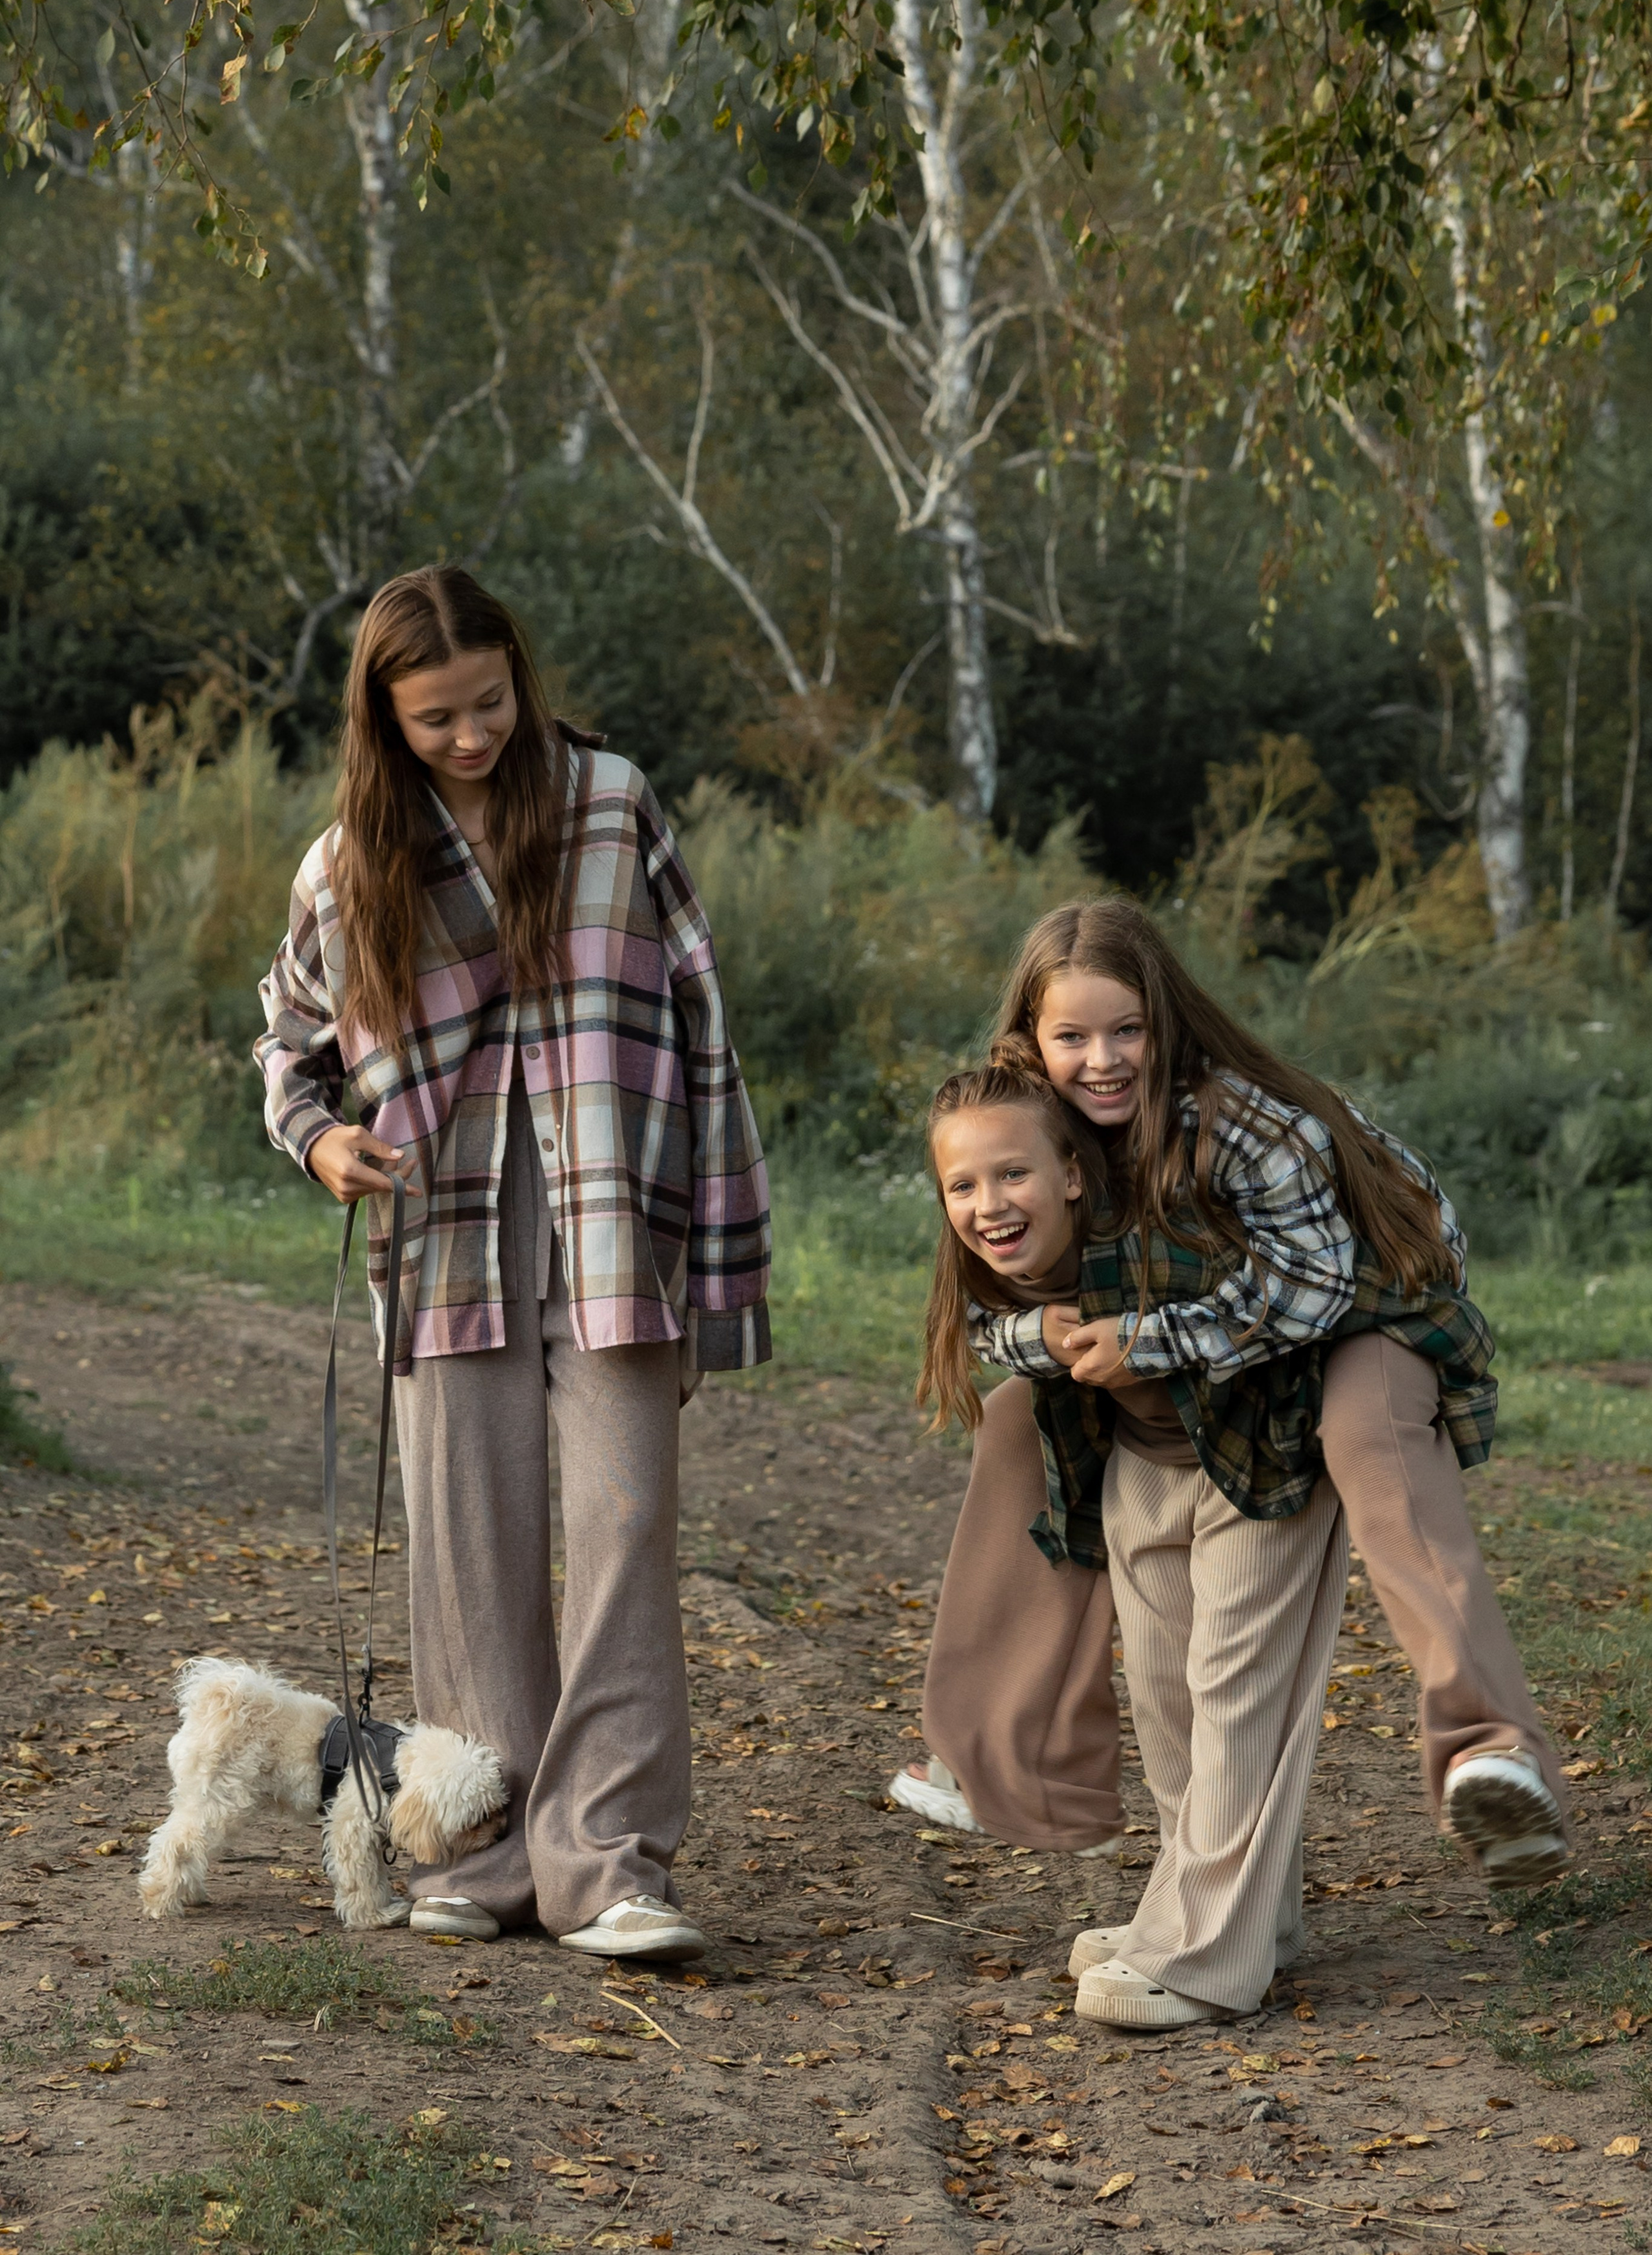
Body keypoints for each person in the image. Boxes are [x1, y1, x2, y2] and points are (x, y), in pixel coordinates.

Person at [255, 565, 771, 1957]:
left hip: (614, 1214)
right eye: (436, 721)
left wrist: (721, 1243)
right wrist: (317, 1141)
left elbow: (701, 1018)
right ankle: (485, 1851)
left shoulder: (611, 803)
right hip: (444, 1234)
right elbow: (286, 1039)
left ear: (517, 674)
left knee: (626, 1530)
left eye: (488, 702)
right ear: (383, 720)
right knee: (469, 1552)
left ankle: (606, 1864)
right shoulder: (346, 865)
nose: (472, 736)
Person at [894, 898, 1569, 1941]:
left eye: (1128, 1030)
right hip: (1233, 1337)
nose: (1104, 1059)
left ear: (1168, 1018)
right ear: (1031, 1040)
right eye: (1072, 1036)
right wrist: (1069, 1341)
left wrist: (1142, 1342)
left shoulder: (1250, 1120)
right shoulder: (1025, 1127)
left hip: (1371, 1304)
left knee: (1368, 1444)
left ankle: (1490, 1743)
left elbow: (1310, 1288)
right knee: (1019, 1419)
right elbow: (993, 1313)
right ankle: (991, 1742)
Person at [918, 1062, 1350, 2028]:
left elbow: (1288, 1298)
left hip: (1258, 1457)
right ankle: (1242, 1915)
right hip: (1144, 1471)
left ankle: (1204, 1954)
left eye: (1012, 1176)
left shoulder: (1160, 1225)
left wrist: (1148, 1339)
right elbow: (990, 1333)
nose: (989, 1204)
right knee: (1165, 1695)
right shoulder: (1001, 1269)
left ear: (1073, 1173)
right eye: (963, 1185)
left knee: (1236, 1693)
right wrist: (1043, 1331)